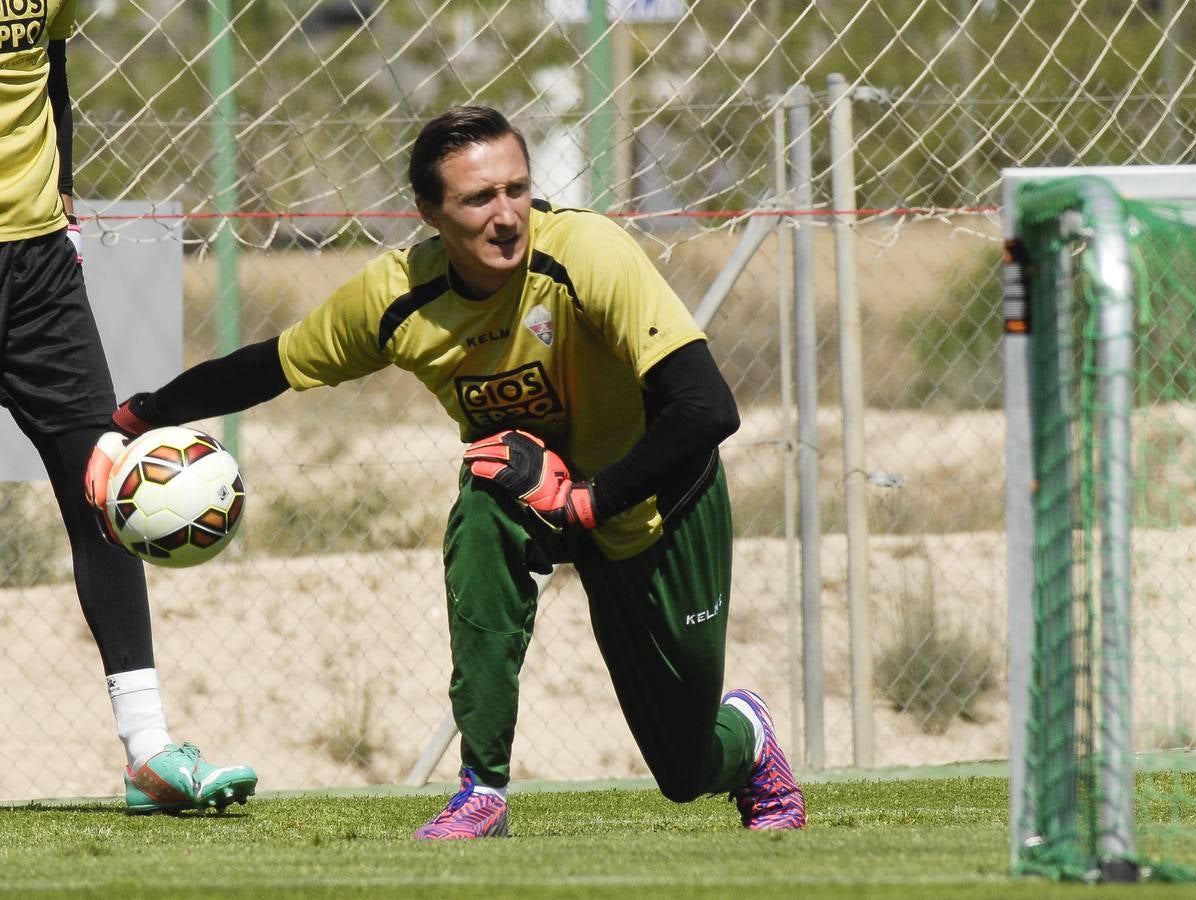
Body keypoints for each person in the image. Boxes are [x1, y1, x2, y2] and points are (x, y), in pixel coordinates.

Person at [87, 104, 806, 838]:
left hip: (655, 502)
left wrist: (591, 500)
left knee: (685, 771)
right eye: (477, 198)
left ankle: (745, 737)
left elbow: (707, 408)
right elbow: (270, 367)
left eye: (517, 190)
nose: (506, 216)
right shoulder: (398, 297)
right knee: (488, 496)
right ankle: (483, 789)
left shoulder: (587, 252)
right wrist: (137, 417)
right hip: (531, 494)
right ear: (429, 212)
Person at [0, 1, 257, 812]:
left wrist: (65, 200)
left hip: (38, 267)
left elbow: (51, 61)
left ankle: (148, 752)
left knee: (104, 489)